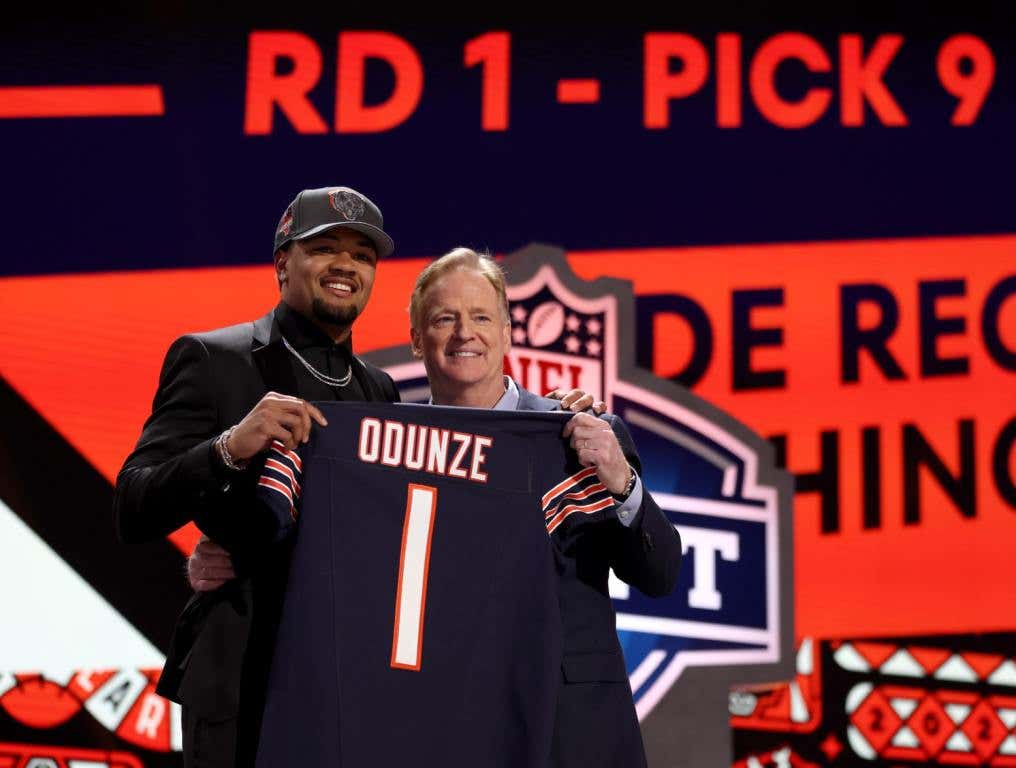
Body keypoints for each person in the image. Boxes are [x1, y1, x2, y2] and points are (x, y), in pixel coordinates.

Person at [116, 189, 597, 767]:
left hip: (346, 685)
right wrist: (229, 447)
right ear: (282, 264)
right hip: (244, 680)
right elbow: (134, 503)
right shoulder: (215, 359)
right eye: (324, 248)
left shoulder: (379, 392)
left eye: (362, 255)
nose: (346, 265)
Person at [189, 247, 682, 767]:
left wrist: (623, 483)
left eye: (480, 317)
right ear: (417, 339)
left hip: (569, 728)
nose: (464, 333)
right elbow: (329, 552)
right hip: (435, 721)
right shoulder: (379, 450)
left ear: (509, 331)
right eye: (445, 318)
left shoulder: (576, 437)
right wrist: (229, 552)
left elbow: (661, 573)